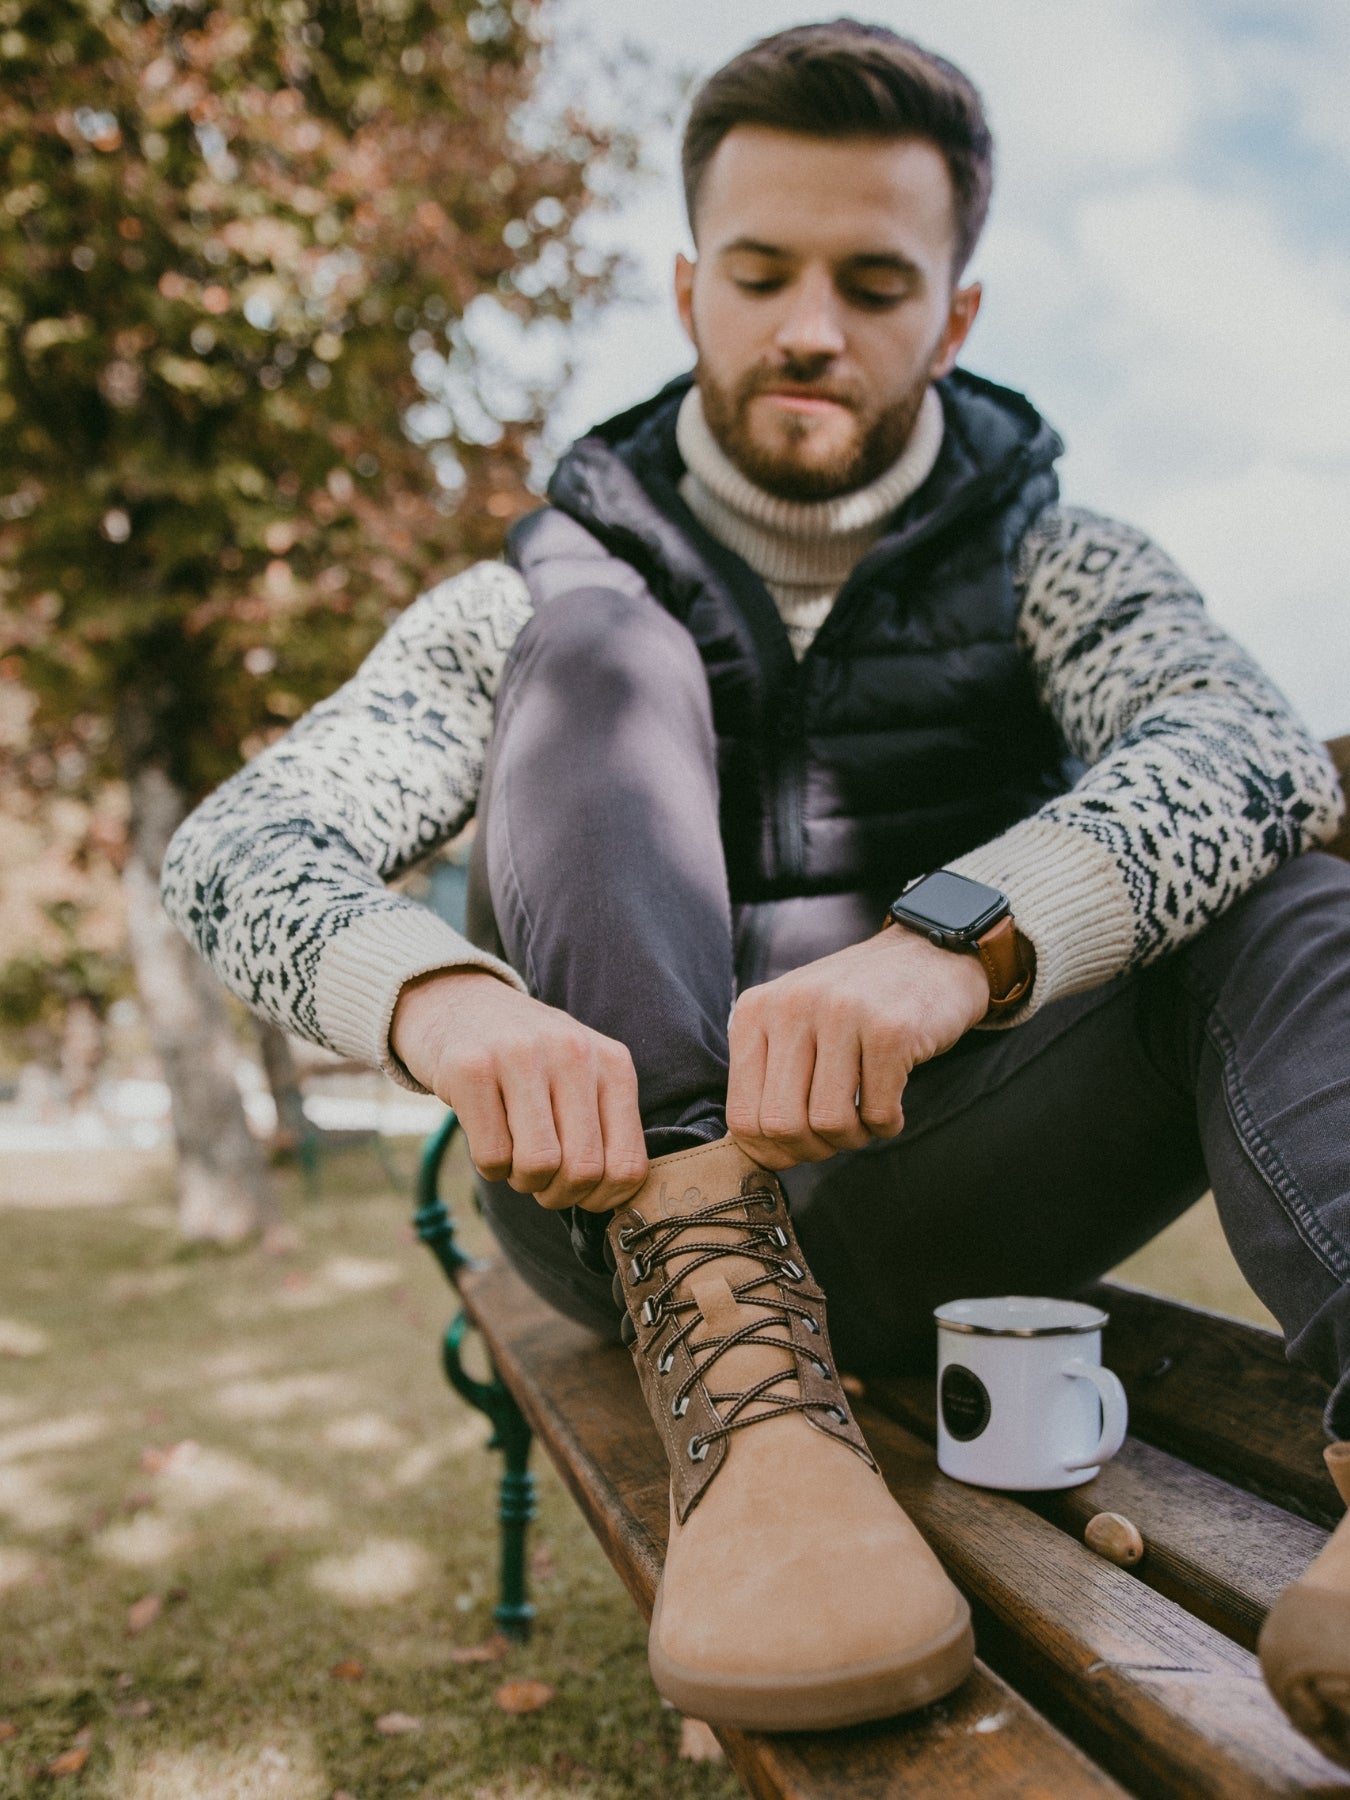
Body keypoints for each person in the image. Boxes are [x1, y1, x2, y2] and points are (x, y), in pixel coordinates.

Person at [163, 18, 1350, 1752]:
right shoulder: (546, 579)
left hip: (938, 1182)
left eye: (874, 283)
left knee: (1285, 880)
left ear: (953, 315)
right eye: (762, 271)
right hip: (619, 1205)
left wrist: (961, 946)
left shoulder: (1055, 557)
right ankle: (758, 1430)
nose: (810, 328)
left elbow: (1250, 750)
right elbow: (241, 842)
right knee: (590, 659)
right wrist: (438, 999)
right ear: (686, 287)